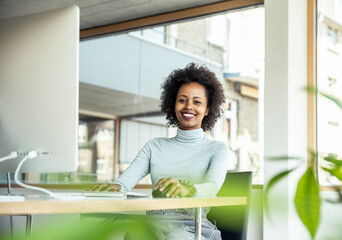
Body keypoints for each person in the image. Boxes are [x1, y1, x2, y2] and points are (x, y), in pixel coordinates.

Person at [92, 63, 230, 239]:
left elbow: (212, 188)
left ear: (208, 109)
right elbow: (125, 183)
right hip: (154, 225)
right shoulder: (154, 146)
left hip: (193, 228)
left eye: (197, 102)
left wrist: (186, 189)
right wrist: (114, 187)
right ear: (174, 105)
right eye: (182, 100)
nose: (188, 106)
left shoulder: (217, 149)